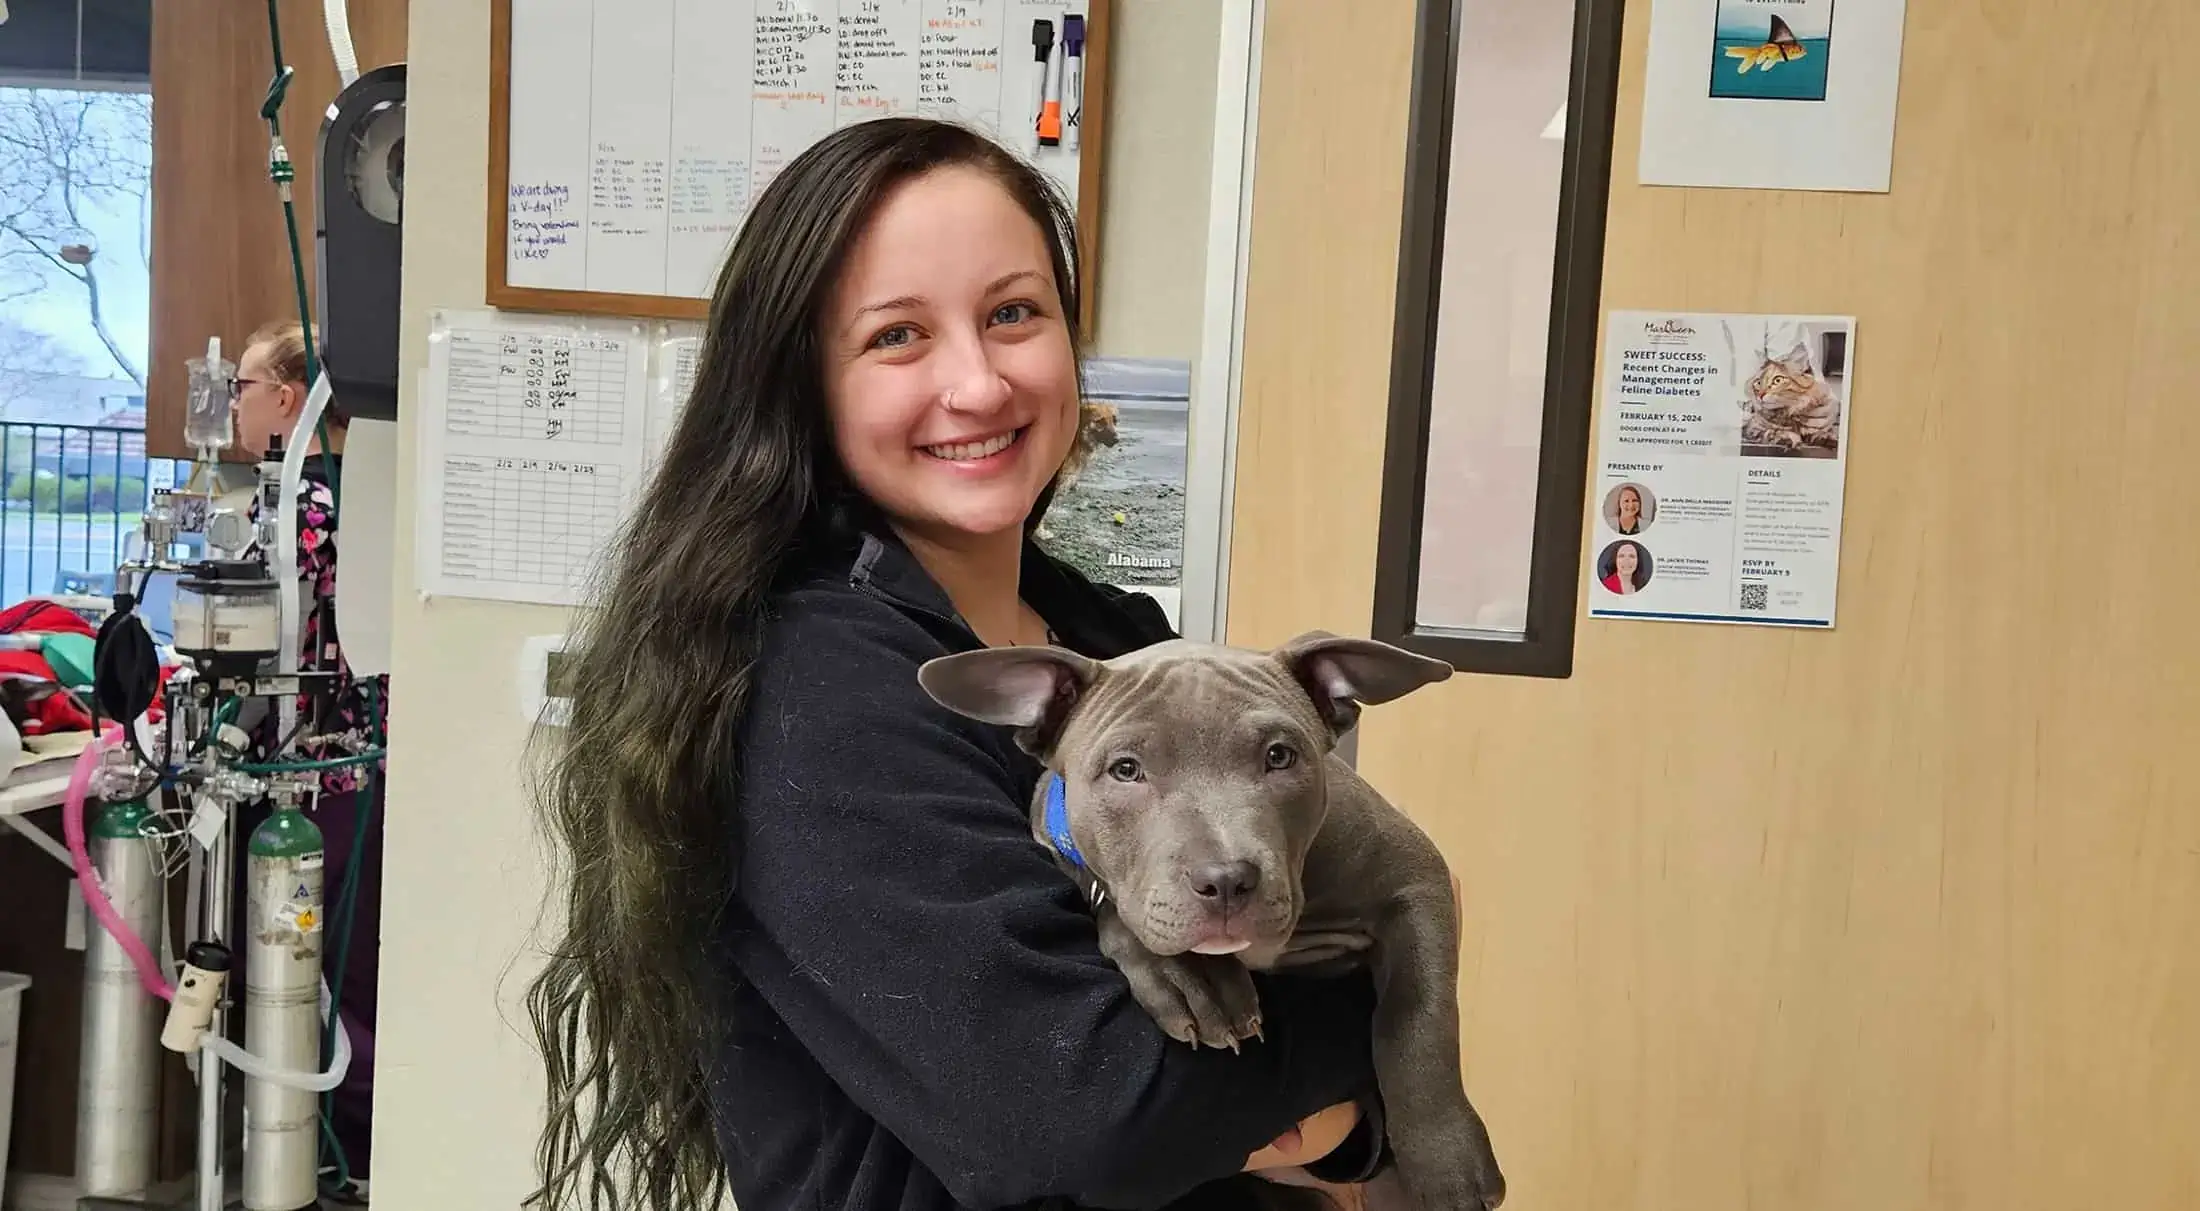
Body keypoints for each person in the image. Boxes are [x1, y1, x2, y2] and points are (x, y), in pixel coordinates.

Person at [527, 118, 1391, 1211]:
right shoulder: (809, 686)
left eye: (1012, 313)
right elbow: (1086, 1116)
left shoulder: (1112, 636)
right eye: (897, 337)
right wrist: (1394, 1005)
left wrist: (1324, 1132)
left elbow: (1256, 988)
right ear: (803, 383)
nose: (978, 384)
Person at [233, 319, 387, 1199]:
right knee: (340, 982)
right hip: (352, 776)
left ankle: (353, 1163)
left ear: (288, 400)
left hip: (324, 783)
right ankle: (348, 1158)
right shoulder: (355, 496)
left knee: (335, 993)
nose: (236, 406)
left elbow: (261, 646)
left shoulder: (301, 508)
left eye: (246, 389)